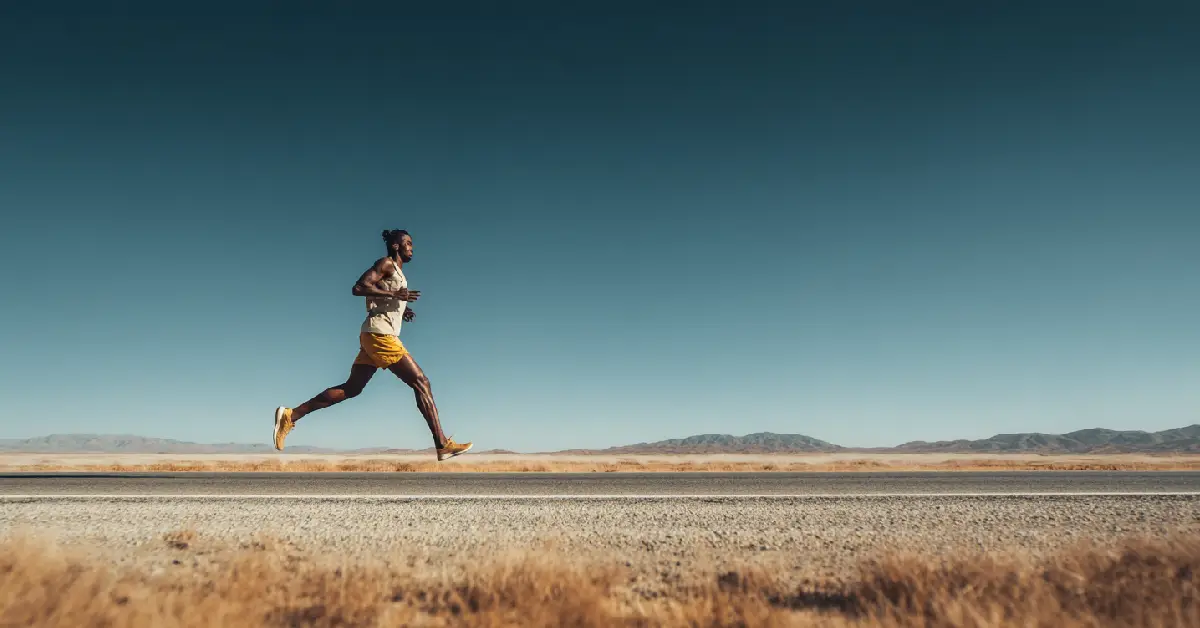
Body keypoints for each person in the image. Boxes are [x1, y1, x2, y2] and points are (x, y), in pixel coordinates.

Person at [272, 229, 472, 461]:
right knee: (421, 382)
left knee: (352, 388)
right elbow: (358, 288)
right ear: (395, 246)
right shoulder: (386, 263)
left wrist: (401, 307)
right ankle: (442, 444)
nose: (411, 247)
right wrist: (396, 296)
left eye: (412, 244)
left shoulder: (396, 272)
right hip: (381, 335)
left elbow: (382, 295)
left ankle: (291, 415)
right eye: (407, 243)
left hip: (373, 335)